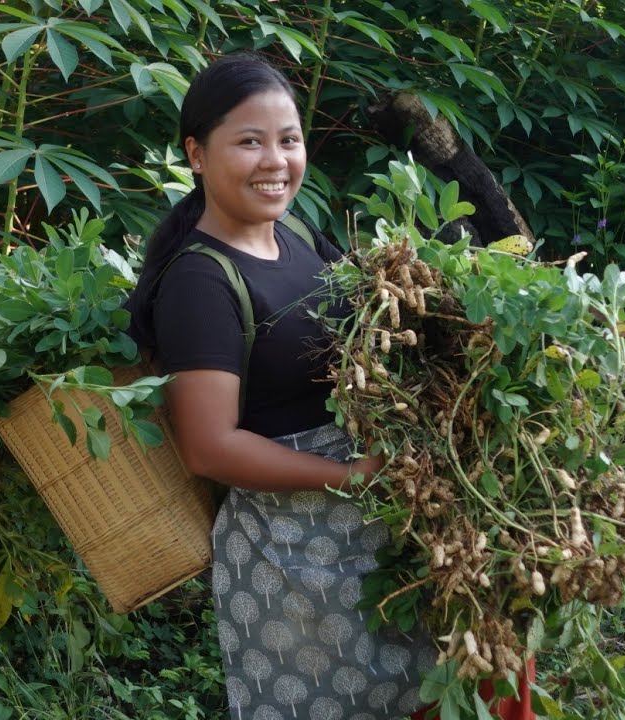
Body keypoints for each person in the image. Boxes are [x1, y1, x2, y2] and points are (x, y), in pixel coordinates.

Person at [126, 53, 438, 719]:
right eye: (249, 141)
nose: (275, 161)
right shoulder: (201, 281)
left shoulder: (296, 232)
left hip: (372, 532)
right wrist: (354, 475)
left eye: (288, 139)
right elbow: (208, 447)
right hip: (295, 557)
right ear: (197, 154)